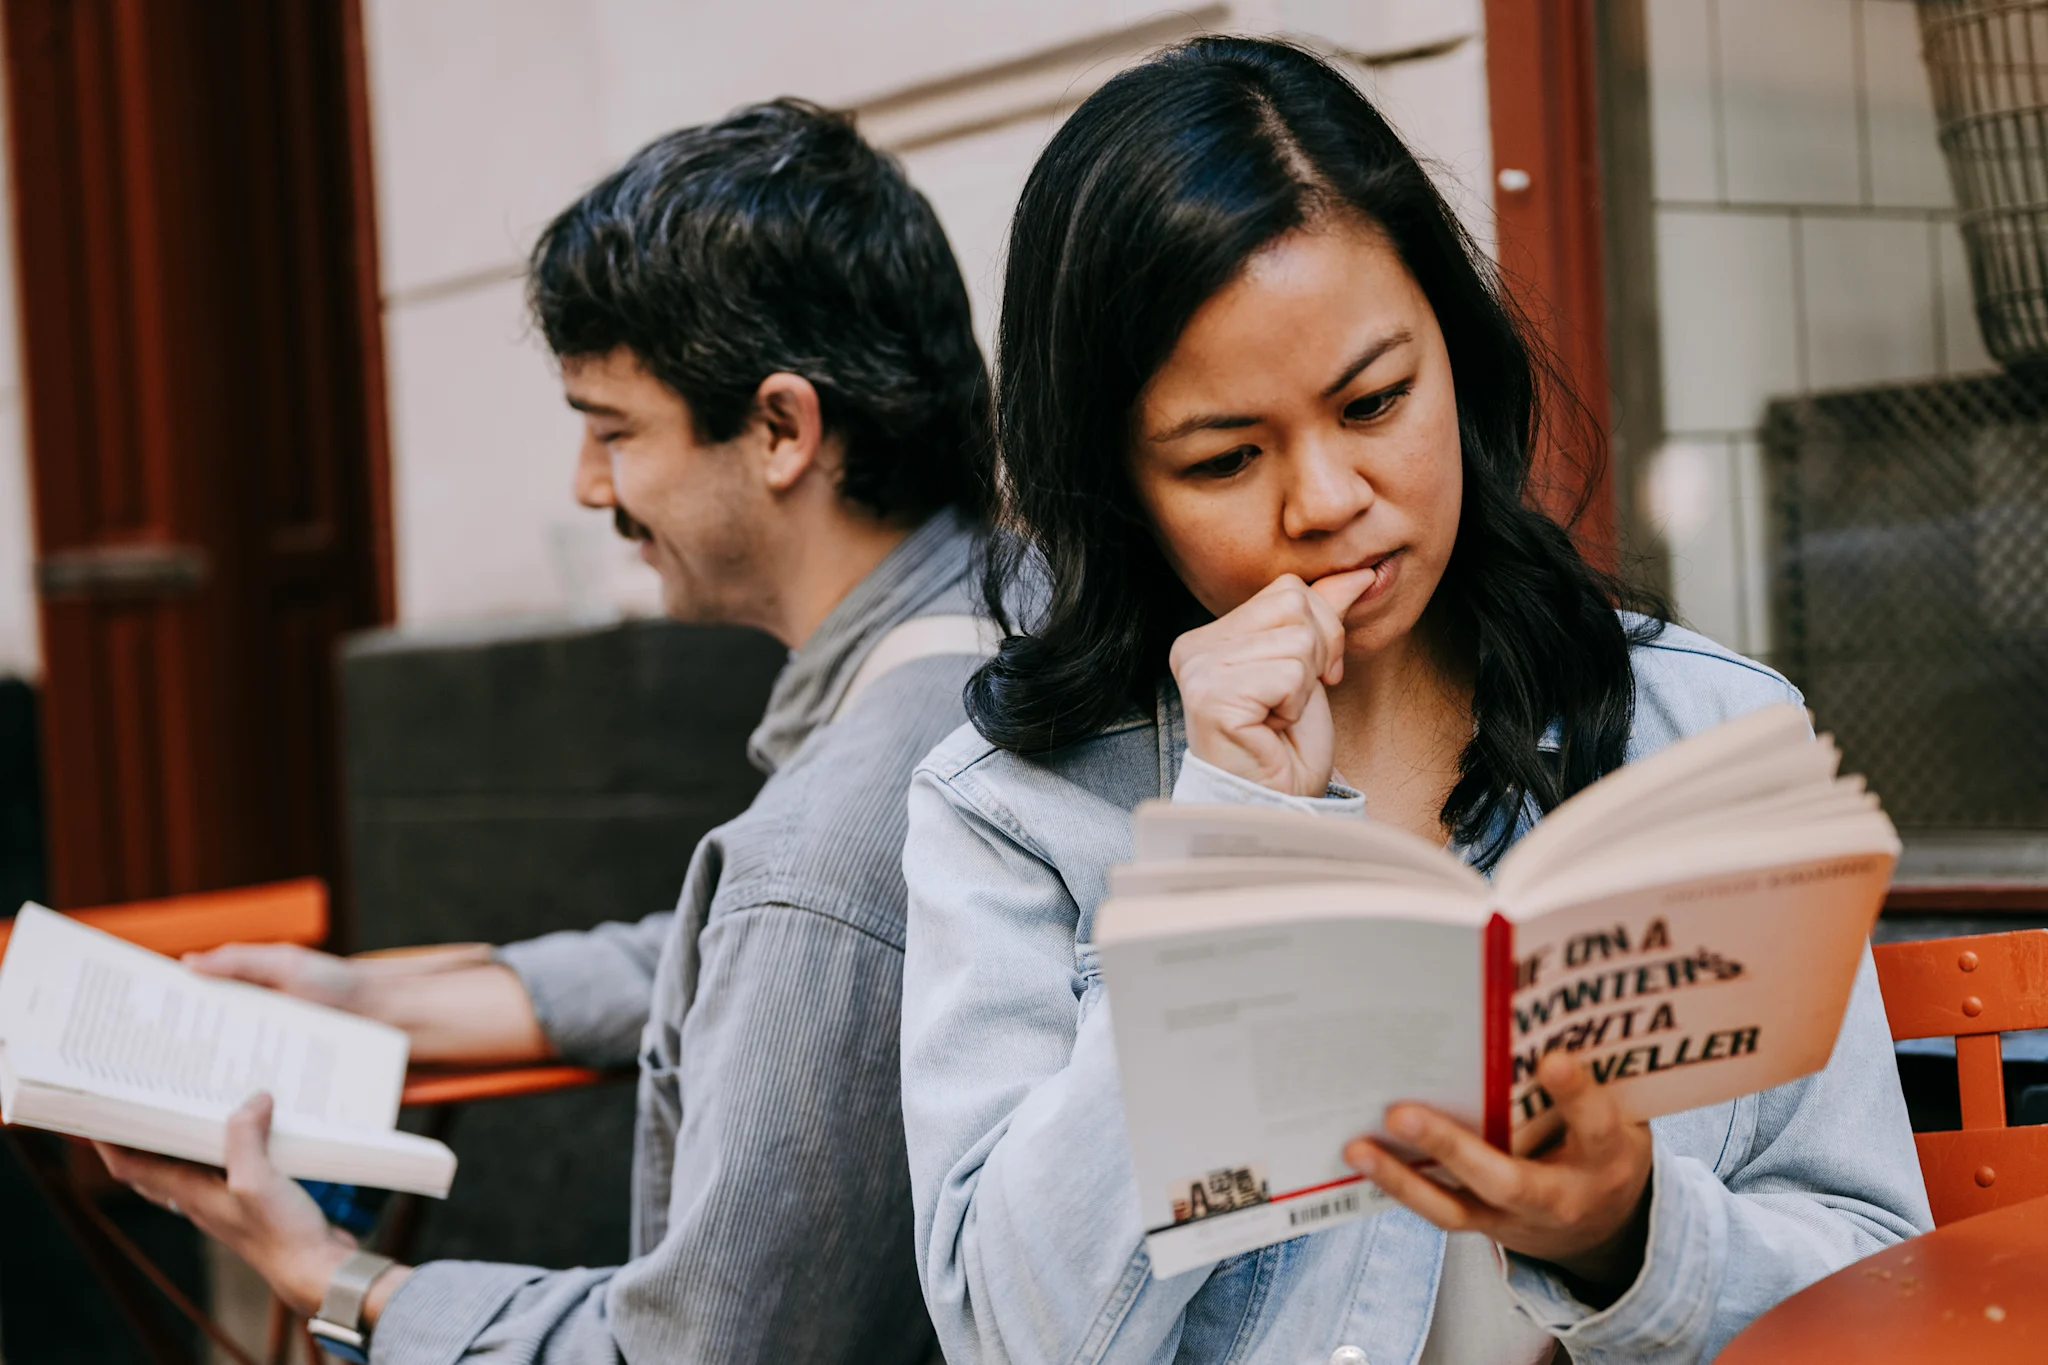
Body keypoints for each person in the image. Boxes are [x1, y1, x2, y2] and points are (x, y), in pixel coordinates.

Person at [898, 37, 1930, 1365]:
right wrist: (1229, 862)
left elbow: (1880, 1287)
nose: (1327, 501)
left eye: (1376, 401)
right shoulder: (1011, 817)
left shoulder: (1706, 737)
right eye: (1224, 459)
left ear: (1458, 354)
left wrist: (1627, 1234)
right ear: (1117, 488)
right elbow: (1014, 1338)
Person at [98, 98, 990, 1364]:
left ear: (782, 430)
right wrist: (376, 1001)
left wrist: (327, 1276)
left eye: (613, 430)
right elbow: (748, 968)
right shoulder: (1011, 619)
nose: (586, 484)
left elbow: (691, 1354)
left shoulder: (818, 857)